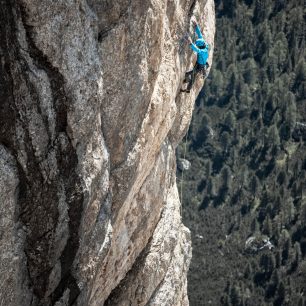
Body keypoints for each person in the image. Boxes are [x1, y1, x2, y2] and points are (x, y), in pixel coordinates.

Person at [181, 20, 210, 93]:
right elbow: (199, 34)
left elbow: (196, 49)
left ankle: (187, 87)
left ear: (200, 46)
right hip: (199, 63)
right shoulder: (204, 44)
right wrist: (196, 26)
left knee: (190, 75)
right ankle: (187, 83)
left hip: (200, 66)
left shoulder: (203, 51)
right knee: (192, 75)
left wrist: (190, 43)